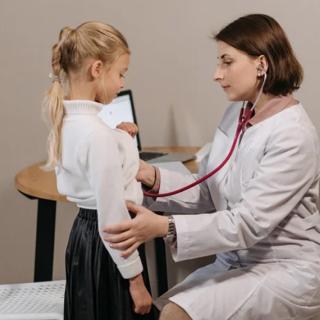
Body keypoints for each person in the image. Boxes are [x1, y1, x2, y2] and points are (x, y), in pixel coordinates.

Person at [103, 14, 320, 320]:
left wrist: (165, 227)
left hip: (284, 268)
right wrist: (150, 176)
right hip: (235, 260)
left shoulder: (293, 134)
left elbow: (248, 223)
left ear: (261, 64)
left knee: (175, 315)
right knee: (154, 311)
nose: (217, 74)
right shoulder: (238, 113)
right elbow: (209, 189)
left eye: (226, 62)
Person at [42, 21, 157, 320]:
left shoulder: (66, 123)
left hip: (83, 237)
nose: (121, 83)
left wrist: (120, 139)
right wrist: (136, 282)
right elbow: (113, 216)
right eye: (120, 73)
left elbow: (86, 179)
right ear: (97, 69)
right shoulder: (98, 136)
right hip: (111, 245)